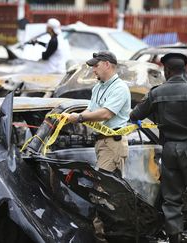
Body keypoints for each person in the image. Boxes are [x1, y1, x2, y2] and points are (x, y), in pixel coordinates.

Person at [130, 53, 187, 243]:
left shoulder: (156, 93)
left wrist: (157, 118)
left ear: (167, 70)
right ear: (185, 70)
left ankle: (174, 237)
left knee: (171, 198)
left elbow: (135, 115)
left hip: (169, 151)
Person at [66, 50, 131, 242]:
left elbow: (105, 114)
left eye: (96, 65)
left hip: (113, 145)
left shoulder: (119, 88)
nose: (93, 69)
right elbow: (91, 110)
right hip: (101, 143)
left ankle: (104, 237)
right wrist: (75, 118)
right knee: (100, 192)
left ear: (107, 64)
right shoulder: (98, 87)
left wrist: (79, 117)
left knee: (104, 195)